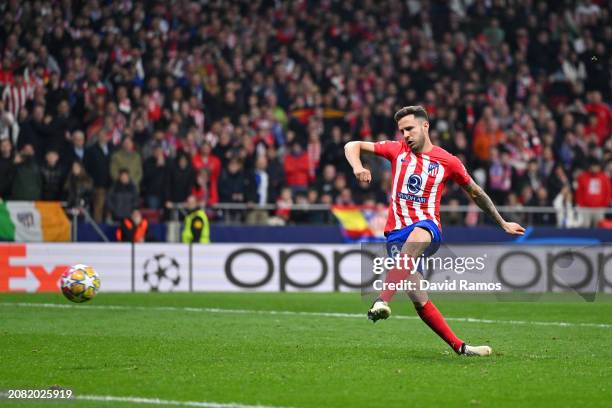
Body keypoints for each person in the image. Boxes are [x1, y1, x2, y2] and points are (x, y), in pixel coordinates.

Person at [344, 105, 525, 357]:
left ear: (425, 126)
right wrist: (357, 167)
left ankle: (381, 299)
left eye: (410, 128)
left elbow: (476, 193)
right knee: (419, 298)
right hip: (396, 235)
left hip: (428, 228)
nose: (405, 134)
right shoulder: (396, 150)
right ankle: (460, 347)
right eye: (402, 130)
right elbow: (351, 144)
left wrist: (502, 222)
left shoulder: (448, 161)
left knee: (418, 233)